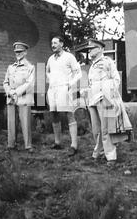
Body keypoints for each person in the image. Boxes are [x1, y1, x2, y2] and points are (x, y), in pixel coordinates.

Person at [83, 38, 132, 166]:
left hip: (104, 99)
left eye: (92, 48)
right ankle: (99, 152)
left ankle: (111, 157)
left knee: (106, 129)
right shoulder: (92, 65)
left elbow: (116, 80)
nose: (90, 51)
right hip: (93, 99)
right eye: (89, 49)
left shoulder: (107, 62)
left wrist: (107, 92)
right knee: (96, 130)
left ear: (100, 49)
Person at [46, 35, 82, 156]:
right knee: (54, 115)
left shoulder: (69, 57)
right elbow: (47, 71)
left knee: (69, 115)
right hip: (53, 90)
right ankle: (57, 142)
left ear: (62, 44)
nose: (53, 45)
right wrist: (51, 81)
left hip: (64, 88)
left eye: (55, 43)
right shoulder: (51, 58)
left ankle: (74, 145)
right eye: (52, 43)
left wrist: (69, 84)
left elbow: (78, 72)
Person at [3, 41, 35, 153]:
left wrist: (16, 92)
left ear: (25, 52)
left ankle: (28, 146)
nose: (18, 53)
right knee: (11, 122)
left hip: (23, 98)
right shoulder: (10, 67)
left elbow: (29, 84)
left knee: (25, 123)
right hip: (11, 98)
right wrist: (9, 92)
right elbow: (5, 82)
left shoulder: (30, 67)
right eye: (16, 52)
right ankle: (11, 145)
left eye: (20, 51)